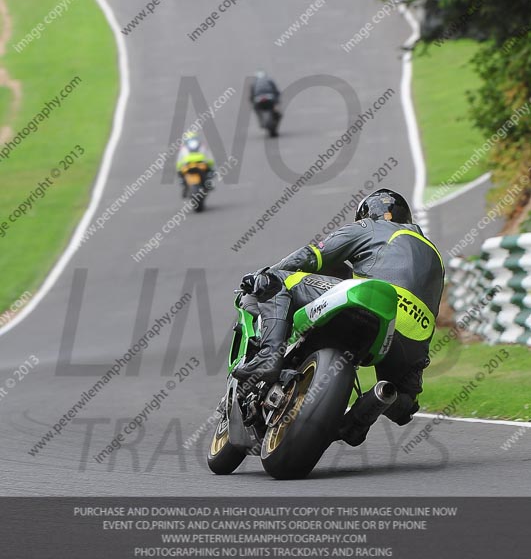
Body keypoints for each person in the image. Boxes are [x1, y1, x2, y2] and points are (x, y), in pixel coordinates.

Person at [234, 188, 445, 440]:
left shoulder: (370, 227)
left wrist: (264, 276)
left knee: (278, 281)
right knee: (404, 402)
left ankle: (269, 356)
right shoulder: (434, 254)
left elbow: (312, 255)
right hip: (415, 333)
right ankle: (360, 419)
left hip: (372, 299)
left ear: (366, 215)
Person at [176, 132, 215, 198]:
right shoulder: (185, 148)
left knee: (209, 175)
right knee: (182, 178)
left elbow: (209, 158)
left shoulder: (200, 146)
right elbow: (179, 161)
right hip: (190, 166)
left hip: (197, 165)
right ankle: (185, 187)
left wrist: (179, 169)